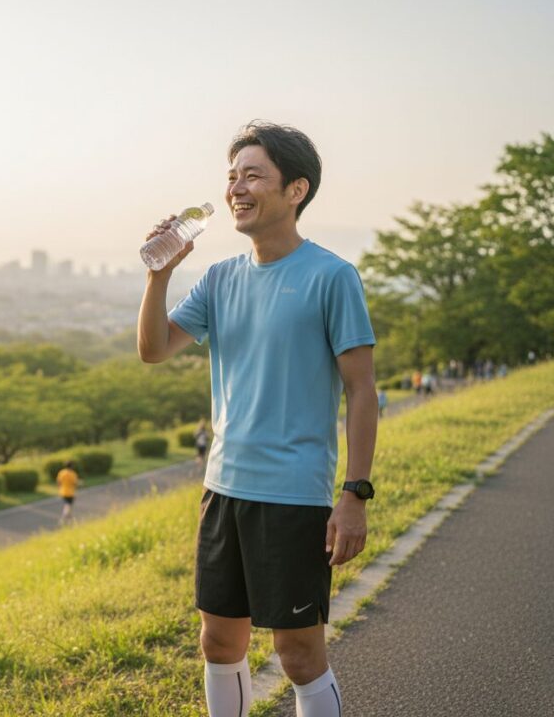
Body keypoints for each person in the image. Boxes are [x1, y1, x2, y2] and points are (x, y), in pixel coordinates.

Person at [138, 121, 377, 717]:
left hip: (293, 495)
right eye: (232, 176)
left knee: (298, 654)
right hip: (223, 488)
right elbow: (153, 349)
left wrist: (354, 494)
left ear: (296, 190)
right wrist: (159, 275)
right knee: (218, 643)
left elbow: (361, 390)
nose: (236, 188)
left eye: (253, 175)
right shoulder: (220, 278)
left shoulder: (332, 276)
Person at [55, 461, 81, 525]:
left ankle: (71, 521)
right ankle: (63, 519)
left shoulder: (61, 472)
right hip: (70, 492)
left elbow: (58, 482)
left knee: (68, 506)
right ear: (71, 466)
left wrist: (59, 489)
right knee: (68, 506)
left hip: (63, 491)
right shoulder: (72, 474)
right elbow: (75, 483)